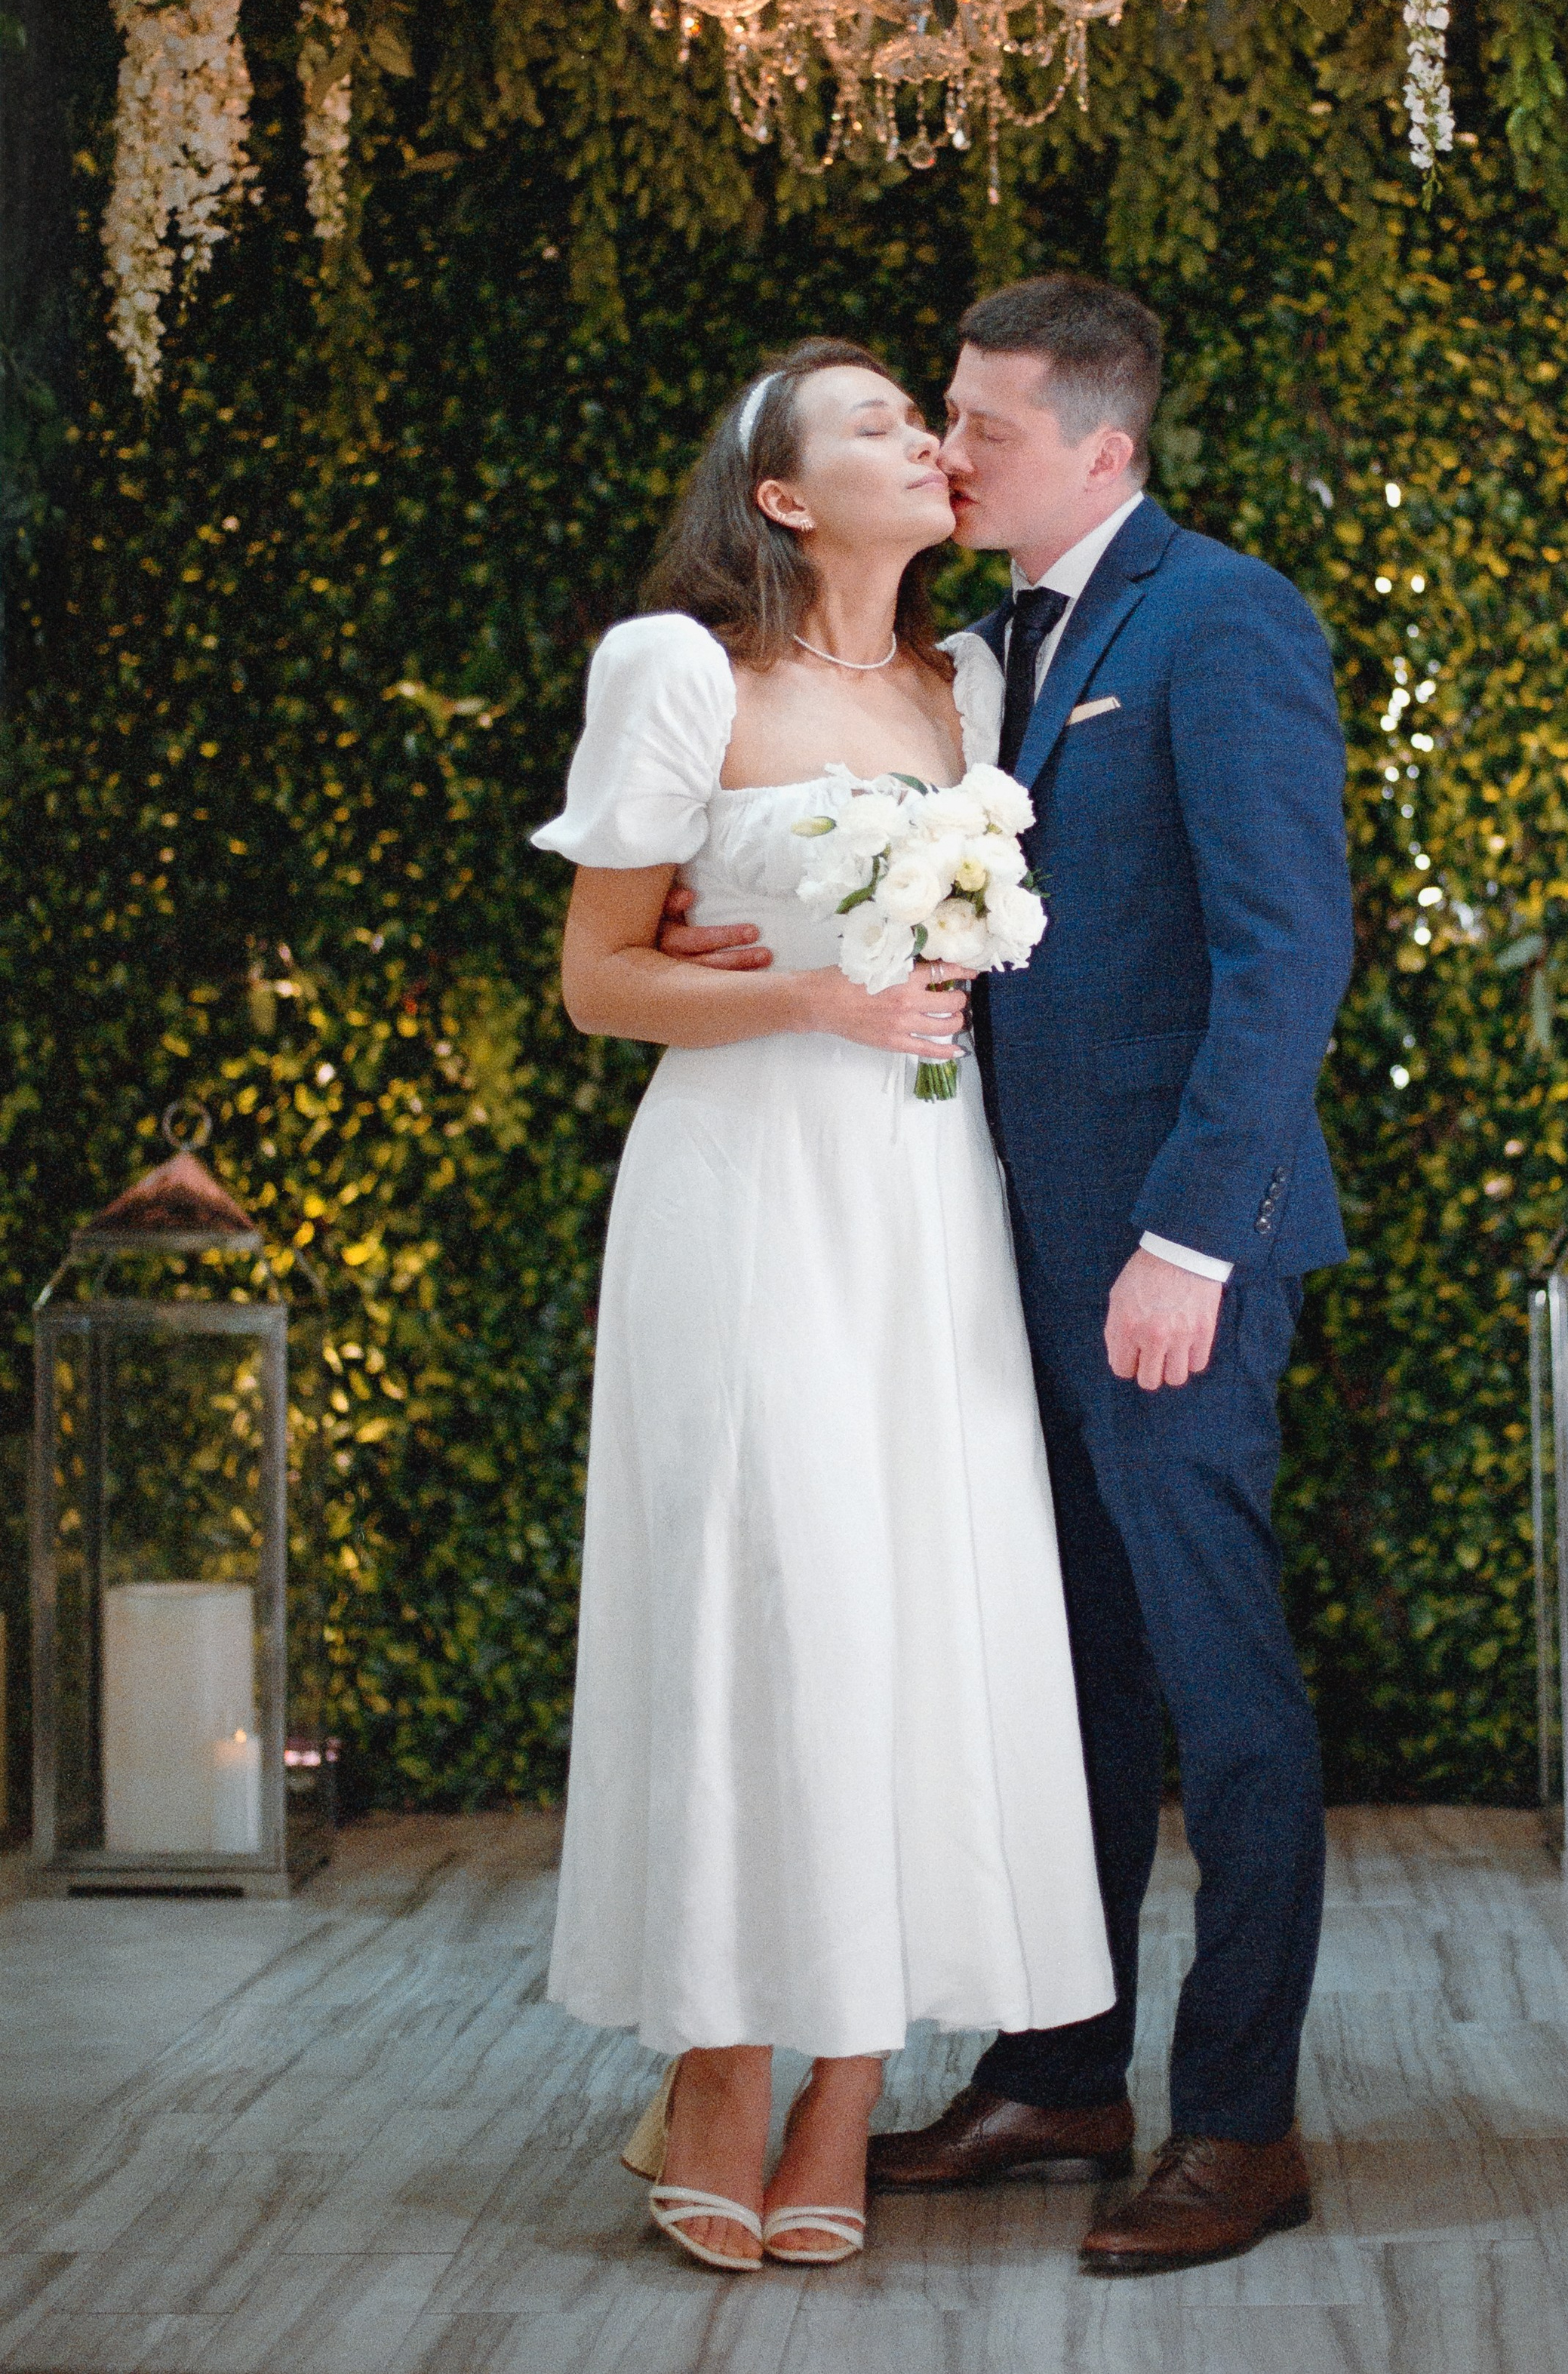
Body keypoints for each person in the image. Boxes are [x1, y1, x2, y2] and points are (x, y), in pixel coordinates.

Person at [663, 278, 1354, 2276]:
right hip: (989, 1252)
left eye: (985, 423)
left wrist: (1189, 1238)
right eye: (936, 417)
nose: (952, 450)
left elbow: (1283, 949)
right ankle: (1062, 2066)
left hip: (1167, 1260)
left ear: (1101, 449)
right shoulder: (996, 653)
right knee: (1073, 1680)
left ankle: (1242, 2120)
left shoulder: (1220, 619)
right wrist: (750, 937)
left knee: (1221, 1686)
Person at [533, 335, 1113, 2276]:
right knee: (753, 1600)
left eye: (927, 420)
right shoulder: (677, 668)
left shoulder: (972, 685)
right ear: (781, 497)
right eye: (876, 422)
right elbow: (602, 982)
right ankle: (714, 2065)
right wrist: (801, 989)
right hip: (744, 1189)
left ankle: (848, 2089)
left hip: (926, 1197)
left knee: (909, 1608)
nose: (926, 444)